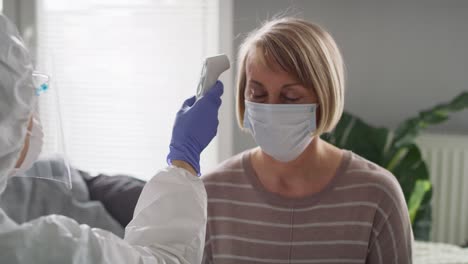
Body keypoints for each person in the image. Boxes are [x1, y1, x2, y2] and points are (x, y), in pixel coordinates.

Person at [0, 13, 224, 263]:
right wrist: (185, 157)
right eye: (29, 100)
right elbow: (167, 259)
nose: (32, 118)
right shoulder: (45, 250)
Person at [202, 17, 413, 263]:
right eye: (257, 94)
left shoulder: (376, 195)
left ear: (323, 97)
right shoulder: (212, 193)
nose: (271, 109)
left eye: (290, 97)